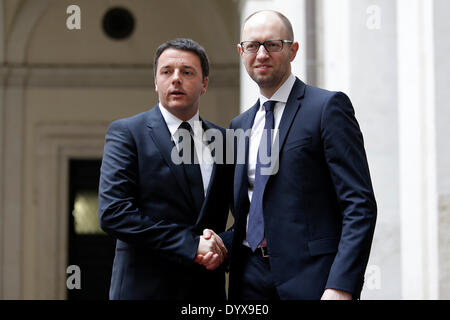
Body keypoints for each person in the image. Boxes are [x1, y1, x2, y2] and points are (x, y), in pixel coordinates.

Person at [225, 10, 377, 300]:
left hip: (314, 281)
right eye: (252, 45)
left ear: (293, 50)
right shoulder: (239, 126)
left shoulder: (327, 108)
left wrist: (341, 285)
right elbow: (253, 212)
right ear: (241, 51)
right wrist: (213, 243)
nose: (261, 54)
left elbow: (359, 205)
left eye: (273, 44)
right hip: (249, 281)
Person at [98, 38, 231, 300]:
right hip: (143, 290)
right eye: (167, 71)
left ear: (204, 83)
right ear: (156, 82)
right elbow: (114, 213)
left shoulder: (226, 140)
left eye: (187, 72)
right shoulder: (127, 133)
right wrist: (190, 246)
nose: (176, 79)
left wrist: (223, 245)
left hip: (206, 293)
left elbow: (250, 214)